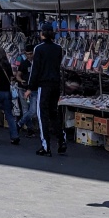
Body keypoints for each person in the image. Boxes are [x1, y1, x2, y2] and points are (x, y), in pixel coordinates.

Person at [26, 24, 66, 156]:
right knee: (54, 113)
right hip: (56, 84)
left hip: (44, 85)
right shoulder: (58, 48)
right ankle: (61, 140)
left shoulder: (39, 49)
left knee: (42, 114)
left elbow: (35, 70)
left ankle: (46, 145)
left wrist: (30, 87)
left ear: (42, 34)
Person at [0, 48, 20, 145]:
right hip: (7, 92)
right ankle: (14, 135)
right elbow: (12, 78)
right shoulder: (8, 66)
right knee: (9, 115)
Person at [16, 50, 37, 137]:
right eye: (27, 54)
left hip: (33, 89)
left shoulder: (37, 64)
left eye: (30, 53)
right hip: (23, 89)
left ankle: (19, 124)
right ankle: (30, 129)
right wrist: (21, 80)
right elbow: (18, 75)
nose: (29, 56)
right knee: (25, 109)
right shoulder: (24, 63)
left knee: (32, 110)